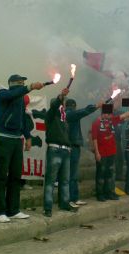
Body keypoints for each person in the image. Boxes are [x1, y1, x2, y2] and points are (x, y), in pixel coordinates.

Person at [0, 74, 43, 222]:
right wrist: (30, 87)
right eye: (20, 83)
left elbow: (22, 119)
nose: (23, 84)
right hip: (3, 138)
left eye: (24, 83)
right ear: (13, 84)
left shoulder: (20, 99)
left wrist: (27, 137)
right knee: (2, 176)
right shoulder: (3, 94)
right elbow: (14, 93)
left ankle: (13, 210)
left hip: (16, 140)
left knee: (15, 176)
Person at [92, 106, 129, 201]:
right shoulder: (96, 123)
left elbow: (123, 116)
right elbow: (94, 139)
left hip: (111, 152)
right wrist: (97, 152)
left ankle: (110, 193)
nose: (111, 116)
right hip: (102, 153)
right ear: (104, 114)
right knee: (101, 174)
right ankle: (100, 194)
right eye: (109, 114)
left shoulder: (111, 121)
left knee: (111, 174)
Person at [43, 88, 77, 217]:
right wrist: (61, 96)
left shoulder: (64, 120)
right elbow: (54, 106)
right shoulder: (51, 115)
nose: (62, 107)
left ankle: (64, 203)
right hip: (54, 149)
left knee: (65, 180)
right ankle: (48, 207)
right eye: (61, 105)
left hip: (65, 150)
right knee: (51, 181)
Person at [65, 98, 102, 206]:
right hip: (72, 146)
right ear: (73, 106)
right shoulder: (70, 114)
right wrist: (96, 106)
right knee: (72, 175)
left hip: (72, 146)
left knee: (73, 175)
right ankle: (71, 199)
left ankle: (74, 198)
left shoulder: (68, 114)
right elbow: (84, 111)